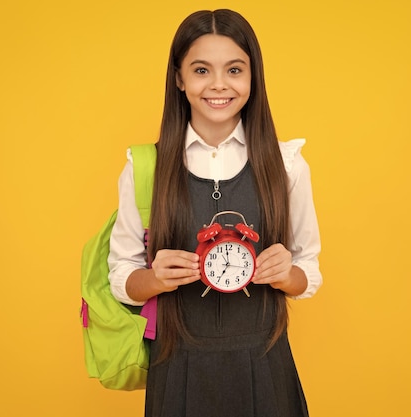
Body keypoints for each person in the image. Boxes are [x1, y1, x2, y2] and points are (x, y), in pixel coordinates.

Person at [108, 9, 322, 417]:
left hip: (265, 367)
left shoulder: (287, 164)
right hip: (178, 368)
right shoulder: (145, 167)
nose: (219, 85)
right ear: (179, 78)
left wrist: (287, 272)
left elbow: (308, 273)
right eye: (202, 69)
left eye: (235, 70)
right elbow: (121, 278)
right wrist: (153, 278)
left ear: (253, 77)